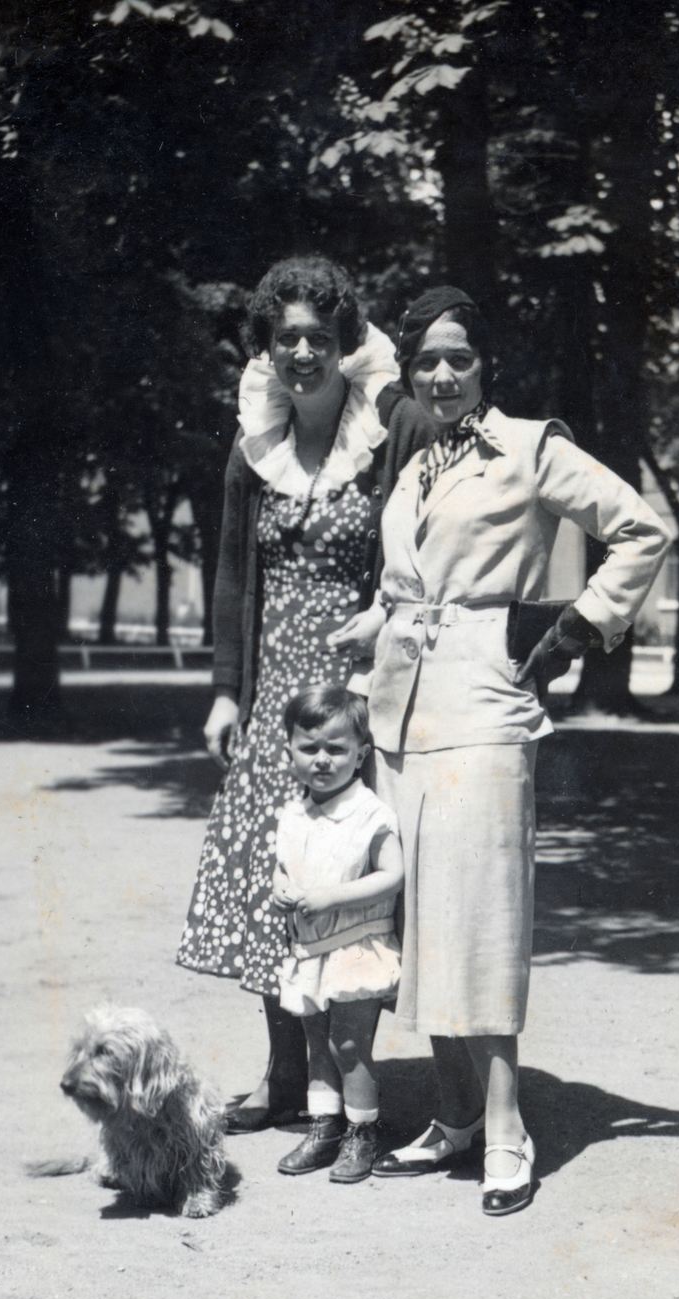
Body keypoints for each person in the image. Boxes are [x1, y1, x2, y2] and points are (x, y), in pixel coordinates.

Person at [328, 286, 672, 1216]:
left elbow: (642, 528)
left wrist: (577, 628)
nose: (442, 375)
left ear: (486, 365)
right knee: (420, 920)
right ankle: (452, 1116)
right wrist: (361, 630)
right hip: (400, 714)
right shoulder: (411, 470)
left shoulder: (529, 447)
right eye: (426, 360)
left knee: (479, 917)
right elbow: (407, 588)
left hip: (486, 703)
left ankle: (507, 1127)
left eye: (460, 358)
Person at [176, 257, 431, 1132]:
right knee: (272, 883)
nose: (301, 352)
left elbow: (416, 554)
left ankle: (346, 1079)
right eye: (284, 338)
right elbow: (230, 574)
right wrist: (223, 693)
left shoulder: (389, 429)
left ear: (345, 342)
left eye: (317, 337)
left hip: (354, 692)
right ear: (267, 347)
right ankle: (286, 1073)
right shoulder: (254, 445)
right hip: (272, 694)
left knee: (345, 880)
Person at [271, 685, 404, 1183]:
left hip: (355, 943)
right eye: (310, 749)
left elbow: (392, 874)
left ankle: (362, 1132)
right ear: (290, 752)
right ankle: (324, 1125)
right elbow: (283, 866)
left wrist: (332, 896)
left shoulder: (369, 813)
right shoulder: (294, 812)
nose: (322, 761)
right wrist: (282, 887)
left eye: (337, 749)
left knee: (348, 1045)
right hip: (310, 949)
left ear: (361, 754)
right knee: (316, 1041)